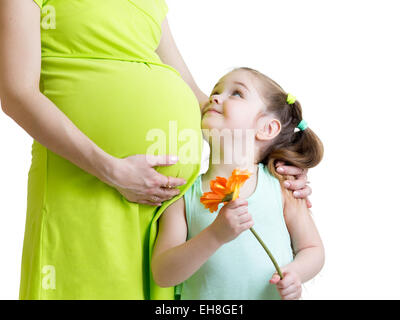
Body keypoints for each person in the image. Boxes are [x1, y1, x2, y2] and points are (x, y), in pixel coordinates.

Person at [0, 0, 311, 300]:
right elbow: (17, 93)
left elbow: (195, 94)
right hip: (84, 183)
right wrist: (113, 170)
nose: (220, 98)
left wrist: (276, 153)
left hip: (160, 203)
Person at [151, 67, 325, 300]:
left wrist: (296, 273)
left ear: (267, 128)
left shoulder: (281, 186)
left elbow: (312, 249)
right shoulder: (183, 195)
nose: (215, 97)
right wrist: (215, 235)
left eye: (236, 94)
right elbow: (163, 273)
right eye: (216, 90)